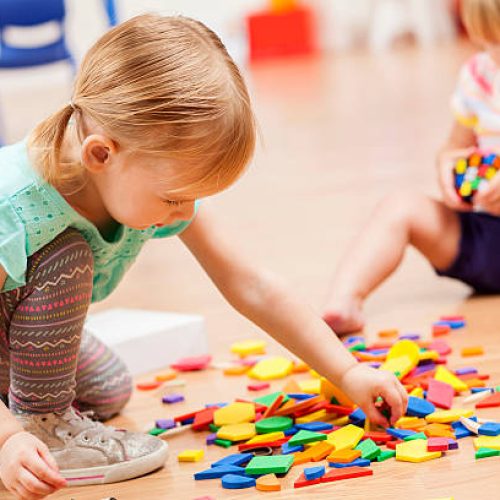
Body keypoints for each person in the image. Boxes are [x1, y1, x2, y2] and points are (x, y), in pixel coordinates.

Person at [0, 14, 406, 499]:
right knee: (67, 255)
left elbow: (248, 283)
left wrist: (344, 370)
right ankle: (39, 425)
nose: (185, 212)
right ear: (101, 154)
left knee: (110, 390)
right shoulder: (17, 207)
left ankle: (35, 413)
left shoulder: (141, 180)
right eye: (174, 197)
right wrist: (10, 438)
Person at [323, 0, 500, 335]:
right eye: (490, 42)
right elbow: (455, 147)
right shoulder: (481, 77)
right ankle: (345, 300)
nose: (496, 55)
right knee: (401, 206)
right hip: (488, 238)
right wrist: (447, 167)